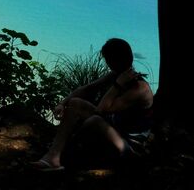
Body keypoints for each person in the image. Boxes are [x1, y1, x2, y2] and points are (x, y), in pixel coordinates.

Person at [31, 38, 154, 171]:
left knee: (94, 121)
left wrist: (117, 85)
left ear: (116, 60)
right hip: (116, 130)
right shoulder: (117, 75)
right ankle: (53, 157)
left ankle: (69, 153)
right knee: (75, 104)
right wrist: (62, 103)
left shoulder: (139, 88)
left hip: (129, 145)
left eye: (109, 60)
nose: (108, 64)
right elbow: (87, 89)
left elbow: (100, 111)